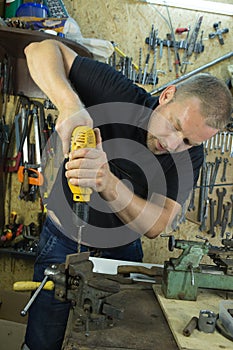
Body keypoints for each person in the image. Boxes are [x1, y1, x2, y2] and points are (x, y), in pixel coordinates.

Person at [22, 39, 232, 350]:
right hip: (61, 242)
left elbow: (156, 224)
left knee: (109, 342)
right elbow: (38, 49)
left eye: (188, 141)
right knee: (43, 341)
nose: (174, 145)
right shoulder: (118, 94)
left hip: (121, 255)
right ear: (166, 95)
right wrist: (69, 104)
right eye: (175, 127)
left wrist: (107, 182)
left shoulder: (191, 157)